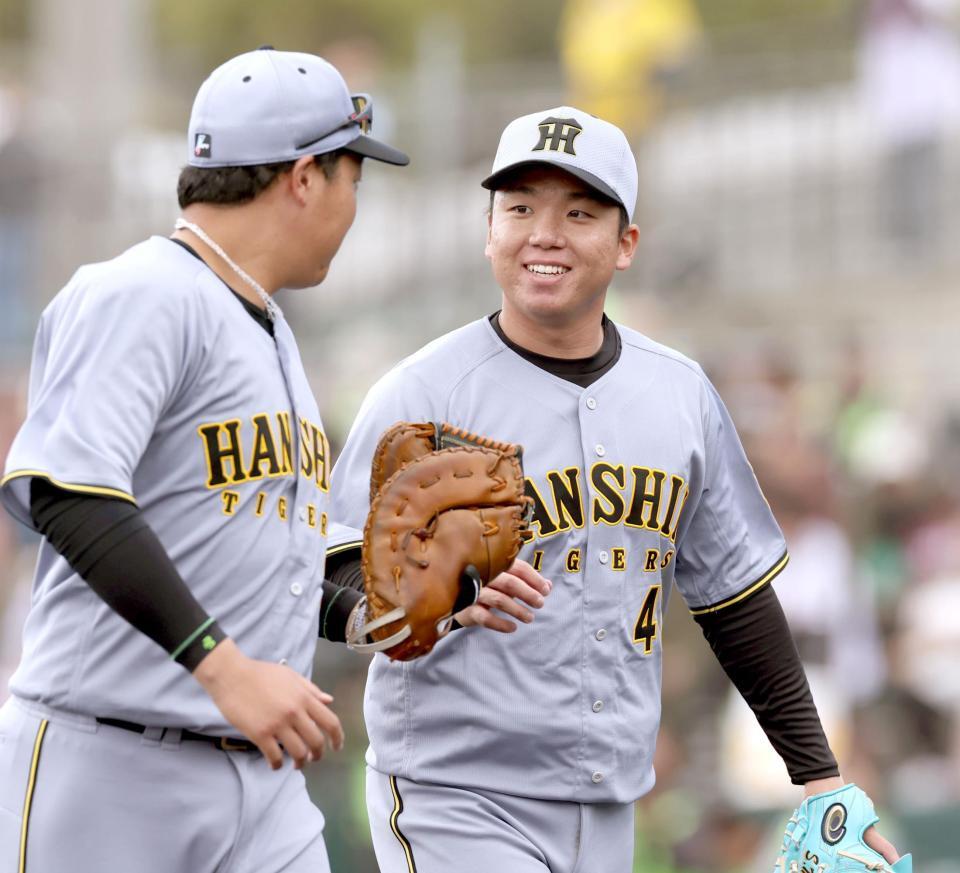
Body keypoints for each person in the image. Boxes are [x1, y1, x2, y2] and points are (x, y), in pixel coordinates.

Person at [329, 107, 904, 871]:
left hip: (609, 803)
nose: (544, 231)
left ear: (626, 242)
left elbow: (733, 597)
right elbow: (325, 580)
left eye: (579, 211)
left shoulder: (680, 393)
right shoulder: (424, 394)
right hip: (455, 794)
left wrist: (820, 778)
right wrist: (430, 601)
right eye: (520, 206)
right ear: (489, 228)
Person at [0, 46, 421, 873]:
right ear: (305, 176)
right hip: (110, 765)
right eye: (352, 178)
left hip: (259, 783)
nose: (353, 204)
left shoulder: (272, 331)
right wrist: (224, 668)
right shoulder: (140, 290)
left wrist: (407, 604)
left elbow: (270, 562)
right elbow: (69, 493)